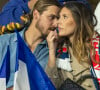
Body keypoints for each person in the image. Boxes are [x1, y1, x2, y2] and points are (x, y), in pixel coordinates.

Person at [0, 0, 61, 89]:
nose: (55, 24)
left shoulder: (53, 50)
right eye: (51, 17)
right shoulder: (4, 42)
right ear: (36, 14)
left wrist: (52, 51)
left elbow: (50, 85)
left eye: (58, 19)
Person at [47, 1, 100, 90]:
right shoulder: (60, 51)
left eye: (65, 17)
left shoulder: (96, 46)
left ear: (79, 20)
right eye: (59, 17)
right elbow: (50, 85)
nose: (58, 22)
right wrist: (51, 51)